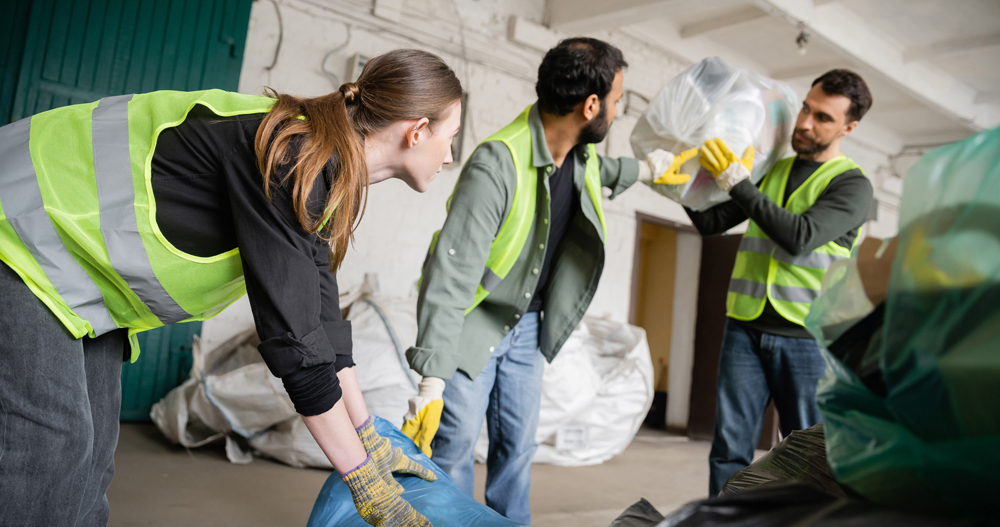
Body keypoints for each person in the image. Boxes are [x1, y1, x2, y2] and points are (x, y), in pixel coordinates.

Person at [0, 49, 462, 527]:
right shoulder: (288, 155)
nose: (449, 155)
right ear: (417, 130)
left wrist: (370, 440)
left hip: (76, 275)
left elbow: (323, 326)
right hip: (19, 236)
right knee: (52, 446)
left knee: (92, 453)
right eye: (450, 138)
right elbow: (299, 351)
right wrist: (367, 485)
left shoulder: (321, 172)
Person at [398, 37, 688, 524]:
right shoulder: (497, 163)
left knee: (517, 450)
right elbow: (452, 271)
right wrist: (431, 377)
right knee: (454, 445)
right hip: (475, 326)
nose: (617, 112)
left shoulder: (580, 157)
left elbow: (608, 172)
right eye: (617, 102)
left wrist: (654, 167)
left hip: (528, 327)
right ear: (590, 105)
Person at [681, 69, 874, 496]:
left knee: (807, 452)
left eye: (823, 117)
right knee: (729, 449)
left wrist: (738, 183)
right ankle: (722, 524)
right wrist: (683, 184)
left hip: (805, 337)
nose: (804, 123)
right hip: (745, 328)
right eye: (805, 107)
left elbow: (799, 236)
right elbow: (713, 221)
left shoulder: (852, 185)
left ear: (849, 127)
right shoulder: (774, 169)